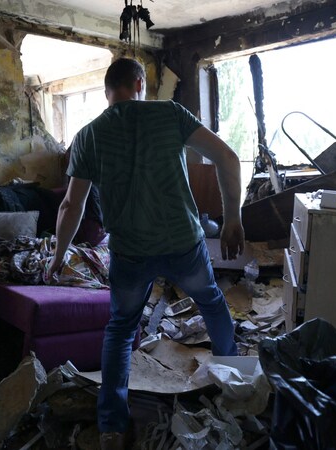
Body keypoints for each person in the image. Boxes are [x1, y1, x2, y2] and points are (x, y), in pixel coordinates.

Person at [47, 57, 245, 449]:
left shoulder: (88, 136)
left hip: (131, 253)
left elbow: (72, 206)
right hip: (183, 244)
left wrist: (58, 255)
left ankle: (111, 429)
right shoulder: (170, 114)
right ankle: (235, 390)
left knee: (120, 332)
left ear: (108, 93)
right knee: (211, 302)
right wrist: (233, 220)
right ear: (139, 85)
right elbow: (227, 157)